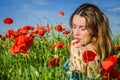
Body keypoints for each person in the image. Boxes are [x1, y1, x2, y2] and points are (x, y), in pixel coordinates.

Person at [63, 3, 114, 80]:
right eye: (74, 26)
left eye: (83, 28)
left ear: (96, 30)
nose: (76, 33)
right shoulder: (76, 50)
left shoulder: (94, 59)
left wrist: (78, 70)